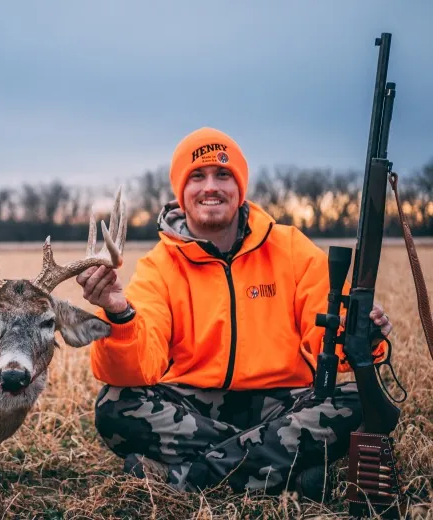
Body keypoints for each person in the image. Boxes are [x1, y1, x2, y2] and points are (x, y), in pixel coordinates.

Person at [76, 127, 392, 501]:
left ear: (240, 187)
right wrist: (119, 315)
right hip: (194, 408)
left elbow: (324, 338)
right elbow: (137, 366)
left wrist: (362, 334)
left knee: (355, 402)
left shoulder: (290, 248)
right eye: (197, 176)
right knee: (115, 405)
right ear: (182, 192)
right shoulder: (158, 267)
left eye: (223, 174)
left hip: (284, 404)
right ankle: (285, 474)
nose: (211, 186)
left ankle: (185, 479)